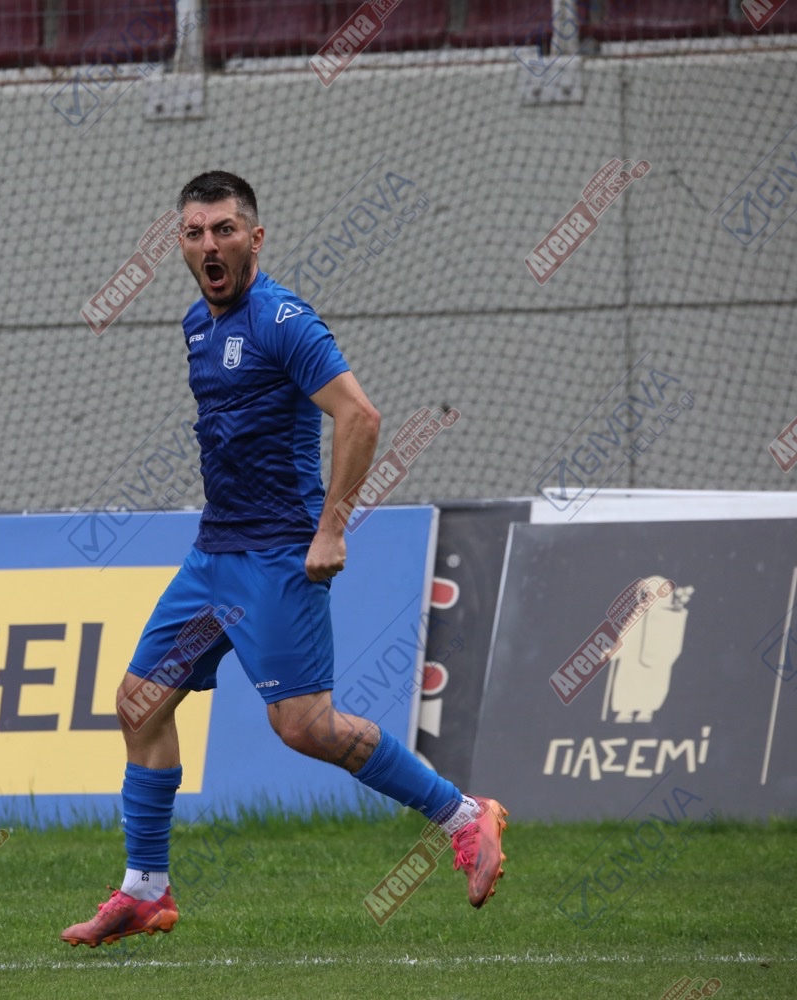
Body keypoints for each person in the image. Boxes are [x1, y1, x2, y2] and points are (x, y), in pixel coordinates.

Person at [60, 172, 508, 948]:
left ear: (255, 238)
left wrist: (331, 530)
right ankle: (145, 890)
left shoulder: (283, 320)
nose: (210, 244)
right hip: (214, 555)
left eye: (225, 230)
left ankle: (465, 816)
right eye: (195, 233)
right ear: (180, 244)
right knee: (139, 702)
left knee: (304, 727)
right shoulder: (196, 325)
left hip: (277, 558)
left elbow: (360, 416)